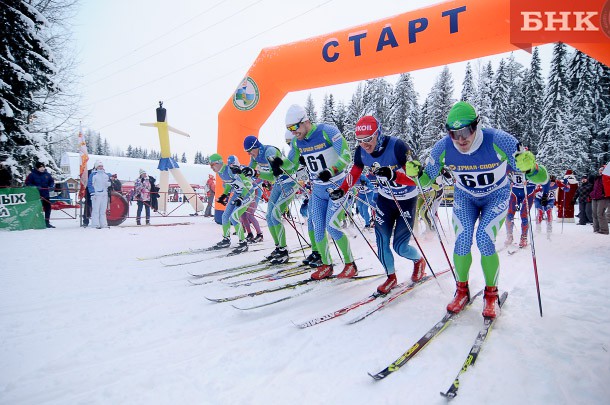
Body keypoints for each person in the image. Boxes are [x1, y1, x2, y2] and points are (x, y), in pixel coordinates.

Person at [405, 101, 548, 318]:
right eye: (454, 133)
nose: (461, 139)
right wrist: (414, 174)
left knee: (483, 238)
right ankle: (461, 290)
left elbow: (542, 178)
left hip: (496, 196)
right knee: (462, 239)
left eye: (466, 130)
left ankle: (491, 294)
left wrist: (533, 168)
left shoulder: (500, 141)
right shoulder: (443, 147)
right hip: (466, 198)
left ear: (477, 125)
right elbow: (425, 182)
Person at [329, 115, 424, 293]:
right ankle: (391, 277)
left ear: (378, 134)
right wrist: (343, 189)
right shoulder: (361, 152)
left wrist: (394, 175)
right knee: (381, 241)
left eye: (368, 139)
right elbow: (356, 170)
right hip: (385, 200)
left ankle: (419, 261)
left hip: (406, 200)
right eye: (360, 140)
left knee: (400, 247)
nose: (364, 144)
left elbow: (416, 179)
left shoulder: (398, 146)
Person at [283, 104, 357, 280]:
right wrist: (279, 165)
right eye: (289, 129)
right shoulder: (296, 142)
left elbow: (346, 156)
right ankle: (326, 264)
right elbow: (291, 165)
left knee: (332, 225)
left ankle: (350, 264)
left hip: (337, 185)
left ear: (306, 121)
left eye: (295, 127)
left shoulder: (327, 132)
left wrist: (331, 170)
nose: (293, 132)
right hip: (318, 189)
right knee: (317, 226)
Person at [240, 133, 299, 264]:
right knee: (269, 216)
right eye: (247, 152)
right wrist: (241, 171)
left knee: (276, 214)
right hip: (279, 184)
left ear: (257, 146)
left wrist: (256, 173)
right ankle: (278, 247)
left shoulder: (270, 151)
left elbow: (272, 176)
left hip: (289, 182)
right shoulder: (256, 156)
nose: (250, 154)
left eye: (250, 151)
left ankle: (284, 250)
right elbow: (249, 171)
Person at [209, 153, 253, 254]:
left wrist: (241, 197)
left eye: (212, 165)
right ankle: (226, 240)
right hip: (237, 194)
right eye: (210, 165)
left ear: (219, 163)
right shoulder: (220, 173)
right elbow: (229, 185)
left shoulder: (230, 170)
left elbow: (247, 184)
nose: (211, 167)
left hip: (247, 193)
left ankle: (243, 243)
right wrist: (224, 195)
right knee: (225, 216)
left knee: (234, 217)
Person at [504, 169, 537, 247]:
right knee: (509, 214)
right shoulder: (511, 164)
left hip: (529, 191)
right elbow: (502, 173)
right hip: (515, 191)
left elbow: (541, 176)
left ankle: (524, 237)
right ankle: (509, 235)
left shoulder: (529, 164)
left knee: (524, 214)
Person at [25, 162, 55, 228]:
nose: (42, 168)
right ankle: (35, 222)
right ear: (37, 168)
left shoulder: (47, 175)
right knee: (36, 209)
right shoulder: (32, 175)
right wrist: (34, 187)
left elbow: (51, 181)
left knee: (48, 208)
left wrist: (51, 185)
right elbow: (27, 183)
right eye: (40, 167)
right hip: (36, 195)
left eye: (43, 167)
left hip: (45, 195)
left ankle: (47, 222)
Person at [87, 160, 111, 229]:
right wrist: (92, 193)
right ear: (96, 167)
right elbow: (90, 184)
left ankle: (103, 224)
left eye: (102, 166)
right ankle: (95, 224)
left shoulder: (105, 175)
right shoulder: (93, 175)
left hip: (104, 194)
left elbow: (108, 183)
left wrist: (108, 184)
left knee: (103, 211)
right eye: (99, 166)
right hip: (96, 195)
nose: (101, 167)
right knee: (96, 210)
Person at [590, 164, 609, 235]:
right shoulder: (597, 178)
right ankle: (596, 229)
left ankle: (604, 230)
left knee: (600, 213)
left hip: (603, 198)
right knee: (594, 214)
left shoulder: (607, 178)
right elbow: (592, 186)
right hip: (594, 197)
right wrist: (591, 194)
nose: (601, 171)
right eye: (600, 170)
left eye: (602, 170)